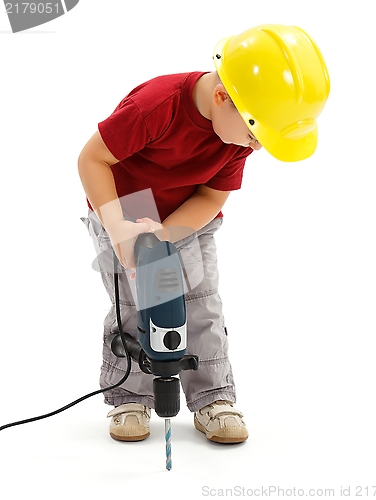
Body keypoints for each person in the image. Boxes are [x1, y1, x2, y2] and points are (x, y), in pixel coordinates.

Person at [78, 24, 330, 444]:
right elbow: (91, 159)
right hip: (124, 206)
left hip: (188, 215)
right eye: (256, 134)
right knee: (137, 304)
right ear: (222, 98)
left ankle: (214, 396)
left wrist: (166, 235)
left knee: (199, 303)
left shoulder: (237, 138)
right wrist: (121, 226)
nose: (257, 147)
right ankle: (130, 396)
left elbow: (212, 195)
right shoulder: (155, 106)